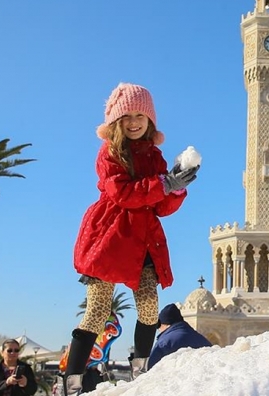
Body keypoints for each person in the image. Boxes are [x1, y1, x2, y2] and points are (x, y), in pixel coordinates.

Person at [62, 83, 199, 396]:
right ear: (116, 121)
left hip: (144, 240)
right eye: (128, 115)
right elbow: (122, 193)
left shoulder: (154, 156)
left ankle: (140, 370)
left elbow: (162, 207)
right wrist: (163, 183)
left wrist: (176, 187)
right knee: (97, 311)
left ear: (150, 120)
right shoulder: (109, 152)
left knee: (150, 307)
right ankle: (72, 381)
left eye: (141, 115)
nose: (135, 121)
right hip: (109, 236)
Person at [147, 303, 212, 369]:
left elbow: (150, 370)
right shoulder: (203, 341)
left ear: (166, 324)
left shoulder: (163, 343)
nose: (158, 330)